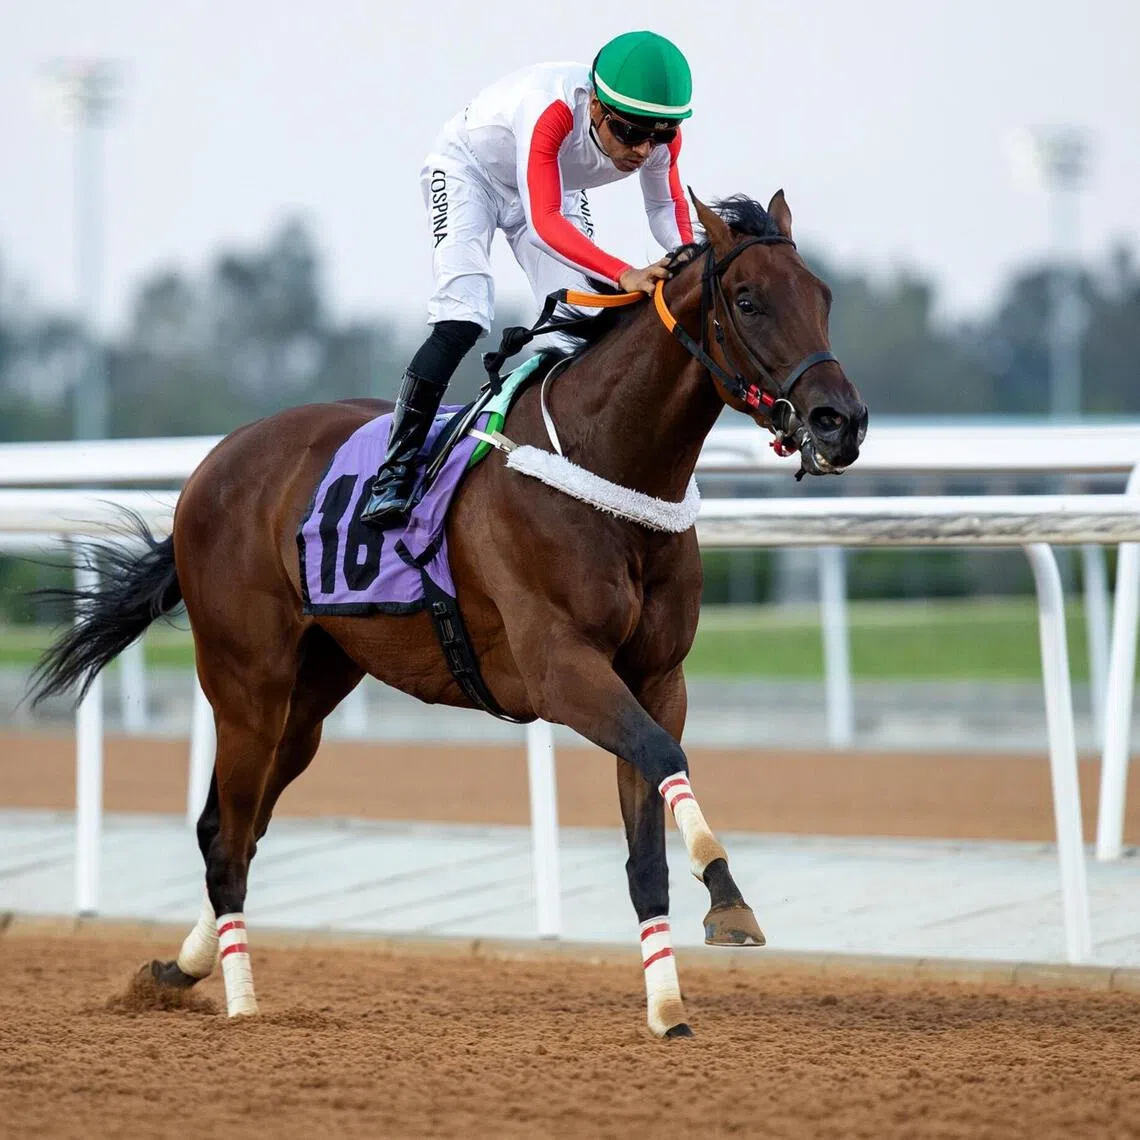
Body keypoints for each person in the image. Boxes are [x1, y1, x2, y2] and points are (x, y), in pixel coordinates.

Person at [360, 30, 696, 528]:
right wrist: (625, 273)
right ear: (597, 108)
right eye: (629, 133)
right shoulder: (554, 110)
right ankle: (395, 471)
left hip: (549, 184)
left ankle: (571, 463)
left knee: (582, 316)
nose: (645, 149)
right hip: (471, 174)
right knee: (464, 314)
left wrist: (691, 263)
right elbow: (543, 223)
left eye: (660, 135)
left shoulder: (654, 134)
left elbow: (666, 209)